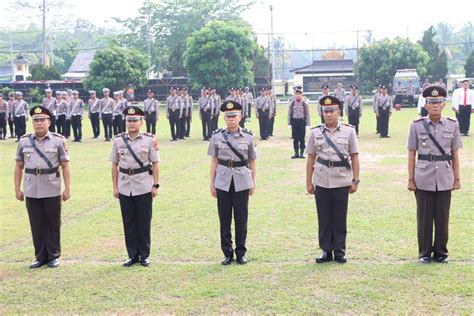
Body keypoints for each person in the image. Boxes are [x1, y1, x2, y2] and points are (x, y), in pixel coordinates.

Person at [407, 86, 462, 264]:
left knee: (442, 217)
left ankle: (441, 252)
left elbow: (455, 154)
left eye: (438, 102)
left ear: (444, 104)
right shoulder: (416, 125)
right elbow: (411, 153)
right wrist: (410, 179)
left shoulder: (452, 125)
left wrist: (457, 178)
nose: (435, 105)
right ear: (426, 105)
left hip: (445, 177)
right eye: (431, 102)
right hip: (423, 176)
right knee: (424, 218)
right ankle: (424, 253)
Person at [14, 105, 71, 268]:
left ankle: (53, 255)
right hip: (32, 187)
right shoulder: (24, 141)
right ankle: (40, 256)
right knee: (36, 223)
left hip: (51, 186)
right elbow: (19, 166)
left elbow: (65, 165)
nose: (39, 123)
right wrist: (17, 188)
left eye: (42, 120)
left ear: (49, 122)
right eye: (36, 120)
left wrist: (67, 188)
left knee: (53, 222)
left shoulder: (58, 140)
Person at [306, 96, 360, 264]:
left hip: (342, 179)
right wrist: (309, 181)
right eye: (325, 111)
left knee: (339, 217)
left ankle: (339, 250)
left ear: (339, 112)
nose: (328, 114)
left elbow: (355, 157)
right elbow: (310, 158)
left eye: (332, 111)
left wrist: (355, 180)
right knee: (324, 217)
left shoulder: (349, 131)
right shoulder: (315, 132)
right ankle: (326, 250)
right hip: (322, 180)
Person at [110, 106, 160, 267]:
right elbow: (114, 165)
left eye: (134, 120)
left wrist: (155, 185)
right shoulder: (118, 140)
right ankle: (132, 255)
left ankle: (144, 254)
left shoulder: (149, 140)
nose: (131, 123)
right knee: (128, 222)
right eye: (129, 120)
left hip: (144, 184)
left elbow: (155, 163)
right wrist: (115, 187)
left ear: (141, 122)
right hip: (125, 185)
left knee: (144, 222)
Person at [208, 100, 257, 265]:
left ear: (240, 117)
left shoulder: (248, 136)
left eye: (234, 116)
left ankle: (241, 252)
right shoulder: (217, 136)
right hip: (222, 180)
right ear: (224, 118)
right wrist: (212, 183)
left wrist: (253, 182)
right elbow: (214, 161)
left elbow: (252, 160)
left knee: (241, 218)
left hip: (242, 180)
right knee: (225, 218)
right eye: (228, 116)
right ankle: (227, 253)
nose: (231, 119)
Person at [287, 86, 310, 159]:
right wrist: (289, 123)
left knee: (302, 138)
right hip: (294, 121)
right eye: (296, 94)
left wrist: (307, 124)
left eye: (299, 94)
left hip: (302, 121)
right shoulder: (292, 103)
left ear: (302, 95)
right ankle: (296, 152)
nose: (298, 95)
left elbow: (307, 114)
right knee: (295, 138)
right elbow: (289, 113)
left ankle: (302, 153)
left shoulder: (304, 103)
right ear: (295, 95)